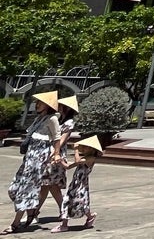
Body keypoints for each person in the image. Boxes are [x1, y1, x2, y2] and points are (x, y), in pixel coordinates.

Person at [5, 91, 62, 234]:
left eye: (40, 103)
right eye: (37, 102)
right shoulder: (39, 119)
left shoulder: (52, 119)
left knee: (26, 189)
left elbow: (57, 138)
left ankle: (15, 223)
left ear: (48, 105)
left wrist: (56, 153)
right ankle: (31, 211)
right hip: (30, 157)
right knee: (14, 189)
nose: (37, 105)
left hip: (39, 159)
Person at [32, 95, 79, 224]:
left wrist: (54, 153)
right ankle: (62, 210)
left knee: (48, 185)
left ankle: (35, 212)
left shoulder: (68, 123)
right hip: (47, 153)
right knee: (49, 186)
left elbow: (61, 140)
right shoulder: (56, 119)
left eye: (62, 106)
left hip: (54, 156)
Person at [49, 135, 101, 233]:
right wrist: (59, 161)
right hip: (74, 184)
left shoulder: (91, 158)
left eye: (85, 147)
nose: (83, 149)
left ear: (91, 149)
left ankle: (89, 217)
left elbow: (77, 161)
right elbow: (68, 166)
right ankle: (64, 225)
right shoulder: (84, 158)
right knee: (67, 201)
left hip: (82, 185)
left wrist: (76, 149)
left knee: (81, 203)